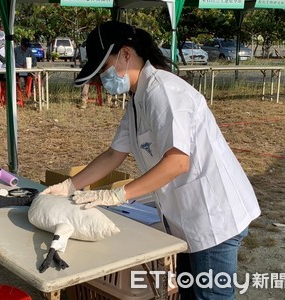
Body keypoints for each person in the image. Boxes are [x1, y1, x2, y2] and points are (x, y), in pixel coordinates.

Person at [42, 21, 261, 300]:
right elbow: (114, 155)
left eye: (103, 70)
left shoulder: (165, 92)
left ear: (125, 54)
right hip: (185, 219)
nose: (102, 80)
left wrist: (118, 195)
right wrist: (69, 185)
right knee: (190, 294)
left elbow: (177, 162)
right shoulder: (137, 100)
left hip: (213, 217)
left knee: (211, 296)